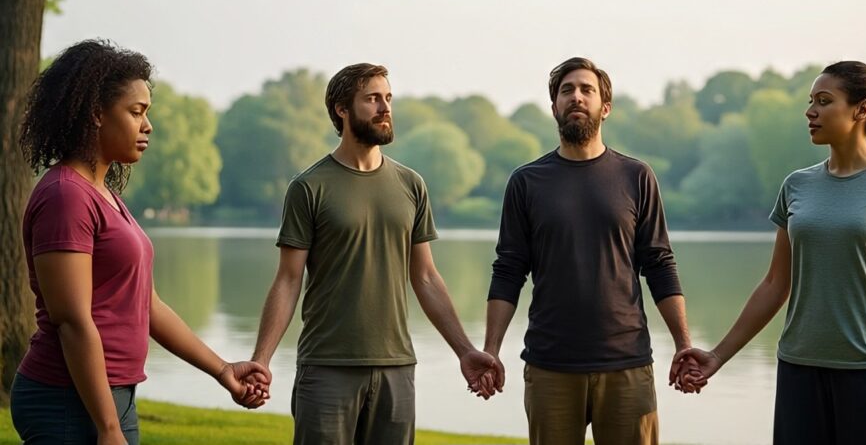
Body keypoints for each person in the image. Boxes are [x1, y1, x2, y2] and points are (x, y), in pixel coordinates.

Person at [12, 39, 270, 445]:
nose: (147, 125)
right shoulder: (67, 196)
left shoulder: (104, 195)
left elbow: (147, 305)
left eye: (146, 113)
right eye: (136, 112)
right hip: (66, 400)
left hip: (111, 397)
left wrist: (222, 370)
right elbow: (72, 321)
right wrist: (108, 427)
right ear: (96, 113)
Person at [674, 53, 866, 445]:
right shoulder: (796, 186)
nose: (810, 111)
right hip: (800, 369)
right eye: (811, 101)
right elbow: (775, 284)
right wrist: (717, 356)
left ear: (860, 110)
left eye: (824, 101)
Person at [251, 62, 499, 445]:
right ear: (342, 109)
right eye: (372, 99)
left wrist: (465, 351)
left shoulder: (410, 184)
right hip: (327, 366)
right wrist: (262, 360)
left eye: (388, 98)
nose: (385, 108)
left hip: (396, 367)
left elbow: (426, 277)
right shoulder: (309, 187)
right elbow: (287, 279)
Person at [484, 56, 694, 445]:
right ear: (554, 107)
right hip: (550, 364)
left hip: (627, 363)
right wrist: (491, 351)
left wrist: (683, 344)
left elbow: (660, 265)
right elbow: (509, 270)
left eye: (587, 90)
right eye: (567, 91)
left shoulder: (636, 176)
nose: (576, 97)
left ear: (605, 107)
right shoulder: (526, 182)